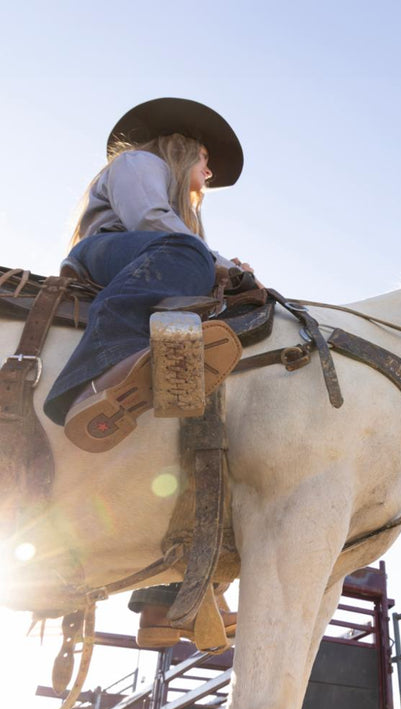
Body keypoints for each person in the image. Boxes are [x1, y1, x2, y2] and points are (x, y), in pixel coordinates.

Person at [44, 97, 251, 453]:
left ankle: (155, 367)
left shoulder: (181, 227)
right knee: (189, 253)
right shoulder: (138, 161)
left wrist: (226, 275)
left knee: (193, 259)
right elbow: (149, 219)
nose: (209, 171)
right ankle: (104, 367)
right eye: (205, 157)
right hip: (104, 251)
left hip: (146, 256)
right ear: (181, 149)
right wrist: (227, 267)